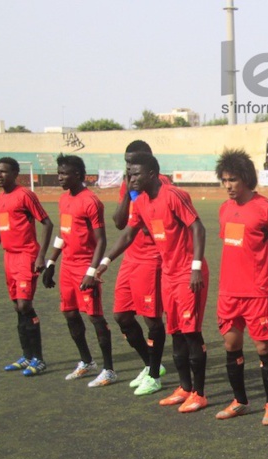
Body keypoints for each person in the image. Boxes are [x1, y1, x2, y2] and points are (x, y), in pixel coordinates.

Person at [97, 153, 209, 413]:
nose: (130, 178)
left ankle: (200, 393)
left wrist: (195, 268)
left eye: (135, 174)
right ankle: (184, 387)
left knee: (191, 333)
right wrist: (105, 261)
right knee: (176, 332)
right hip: (169, 273)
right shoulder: (142, 202)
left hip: (187, 273)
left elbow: (198, 228)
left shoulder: (173, 195)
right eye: (128, 174)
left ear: (150, 174)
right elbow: (128, 233)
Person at [214, 149, 268, 424]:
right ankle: (240, 401)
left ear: (245, 178)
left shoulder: (266, 207)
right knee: (231, 345)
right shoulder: (224, 209)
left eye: (232, 180)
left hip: (257, 292)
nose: (228, 186)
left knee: (263, 349)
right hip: (228, 291)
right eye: (224, 180)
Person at [40, 155, 115, 386]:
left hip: (85, 265)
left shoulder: (91, 202)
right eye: (59, 172)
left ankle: (109, 369)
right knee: (70, 314)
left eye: (65, 173)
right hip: (67, 267)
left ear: (79, 176)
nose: (60, 177)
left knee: (95, 317)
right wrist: (51, 263)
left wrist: (92, 272)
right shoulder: (63, 200)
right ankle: (86, 361)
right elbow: (63, 233)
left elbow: (101, 240)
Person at [0, 157, 53, 376]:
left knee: (24, 305)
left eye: (3, 172)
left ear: (15, 174)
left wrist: (41, 256)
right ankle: (26, 356)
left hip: (26, 255)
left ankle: (38, 359)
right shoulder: (0, 199)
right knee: (16, 307)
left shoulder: (25, 195)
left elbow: (47, 223)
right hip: (8, 257)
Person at [109, 141, 170, 396]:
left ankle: (154, 375)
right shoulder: (129, 183)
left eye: (133, 163)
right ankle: (150, 364)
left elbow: (148, 225)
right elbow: (119, 223)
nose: (129, 168)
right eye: (126, 163)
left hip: (152, 257)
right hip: (131, 257)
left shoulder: (162, 184)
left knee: (152, 319)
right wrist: (128, 193)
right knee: (121, 316)